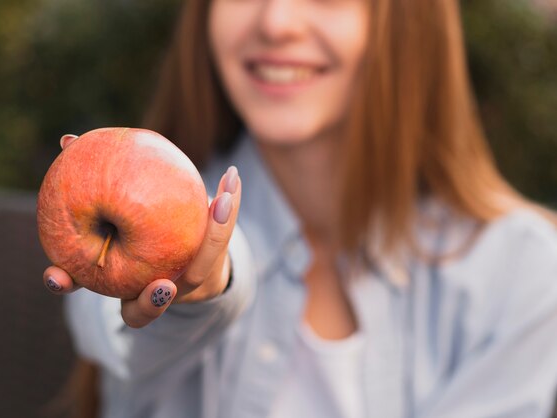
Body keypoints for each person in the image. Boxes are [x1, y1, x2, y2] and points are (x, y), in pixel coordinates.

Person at [42, 0, 557, 417]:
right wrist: (202, 284)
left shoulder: (524, 271)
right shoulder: (147, 201)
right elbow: (112, 332)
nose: (276, 21)